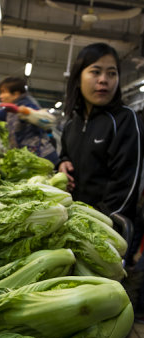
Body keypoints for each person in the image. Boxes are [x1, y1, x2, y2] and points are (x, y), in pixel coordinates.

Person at [58, 42, 143, 222]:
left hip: (104, 229)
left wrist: (95, 222)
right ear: (78, 78)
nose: (104, 79)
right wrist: (63, 164)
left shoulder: (125, 120)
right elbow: (65, 155)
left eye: (112, 73)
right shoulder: (71, 123)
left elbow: (125, 187)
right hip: (72, 221)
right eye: (95, 72)